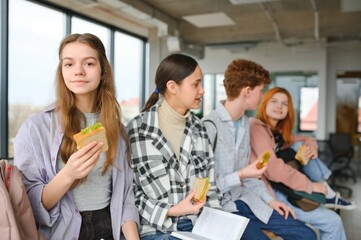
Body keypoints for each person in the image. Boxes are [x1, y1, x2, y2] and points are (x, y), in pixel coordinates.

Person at [14, 33, 139, 240]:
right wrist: (68, 174)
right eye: (69, 64)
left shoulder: (117, 129)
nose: (78, 71)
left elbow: (125, 196)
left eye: (89, 63)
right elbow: (28, 204)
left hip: (108, 228)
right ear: (61, 71)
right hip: (61, 231)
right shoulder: (35, 128)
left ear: (103, 72)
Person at [202, 59, 317, 240]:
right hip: (220, 208)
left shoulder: (245, 124)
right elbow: (205, 187)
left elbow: (251, 177)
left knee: (307, 235)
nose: (263, 96)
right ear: (247, 91)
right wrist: (241, 174)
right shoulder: (208, 127)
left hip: (247, 199)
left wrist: (271, 201)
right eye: (260, 90)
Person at [126, 53, 221, 240]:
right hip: (157, 230)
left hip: (199, 226)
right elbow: (129, 193)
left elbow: (210, 185)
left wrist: (219, 225)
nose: (202, 91)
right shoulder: (137, 130)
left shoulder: (200, 128)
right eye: (196, 84)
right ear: (172, 87)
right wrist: (172, 210)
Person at [250, 86, 354, 240]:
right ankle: (326, 190)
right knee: (333, 222)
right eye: (274, 101)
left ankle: (325, 188)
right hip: (269, 193)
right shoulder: (256, 127)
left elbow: (307, 139)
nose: (279, 106)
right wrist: (310, 186)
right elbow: (272, 169)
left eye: (284, 103)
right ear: (264, 103)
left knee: (301, 146)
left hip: (283, 186)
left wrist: (311, 148)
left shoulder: (279, 132)